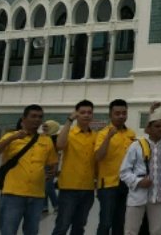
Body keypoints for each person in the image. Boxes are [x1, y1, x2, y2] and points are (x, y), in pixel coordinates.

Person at [0, 104, 59, 235]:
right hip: (13, 194)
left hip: (36, 196)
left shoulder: (46, 140)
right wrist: (12, 138)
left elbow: (53, 161)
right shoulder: (11, 136)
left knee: (32, 231)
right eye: (33, 116)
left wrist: (51, 173)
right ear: (23, 119)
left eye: (40, 117)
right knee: (8, 231)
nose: (37, 120)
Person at [121, 110, 161, 235]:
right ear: (149, 128)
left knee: (157, 231)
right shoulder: (136, 146)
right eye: (157, 126)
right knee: (130, 231)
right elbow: (124, 171)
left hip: (159, 196)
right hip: (137, 195)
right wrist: (138, 182)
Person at [53, 100, 97, 235]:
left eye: (89, 112)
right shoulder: (69, 133)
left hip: (88, 188)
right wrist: (68, 121)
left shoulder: (95, 136)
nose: (86, 115)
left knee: (79, 226)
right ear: (76, 114)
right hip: (68, 188)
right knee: (62, 225)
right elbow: (59, 145)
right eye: (82, 112)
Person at [96, 98, 136, 235]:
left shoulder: (131, 133)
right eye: (117, 113)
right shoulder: (102, 133)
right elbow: (98, 157)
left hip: (126, 183)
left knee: (121, 222)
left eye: (124, 113)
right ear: (110, 114)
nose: (121, 116)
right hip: (108, 184)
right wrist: (108, 137)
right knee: (106, 222)